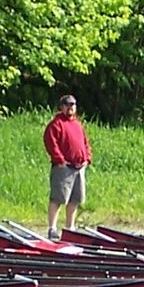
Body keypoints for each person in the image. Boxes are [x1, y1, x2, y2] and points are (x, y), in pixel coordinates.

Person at [43, 94, 91, 239]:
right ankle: (52, 228)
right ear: (62, 107)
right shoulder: (56, 124)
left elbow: (85, 143)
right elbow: (50, 143)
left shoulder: (77, 124)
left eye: (73, 105)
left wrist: (87, 158)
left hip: (79, 167)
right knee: (57, 198)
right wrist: (60, 160)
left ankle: (70, 228)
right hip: (64, 167)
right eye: (67, 105)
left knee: (75, 199)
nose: (70, 108)